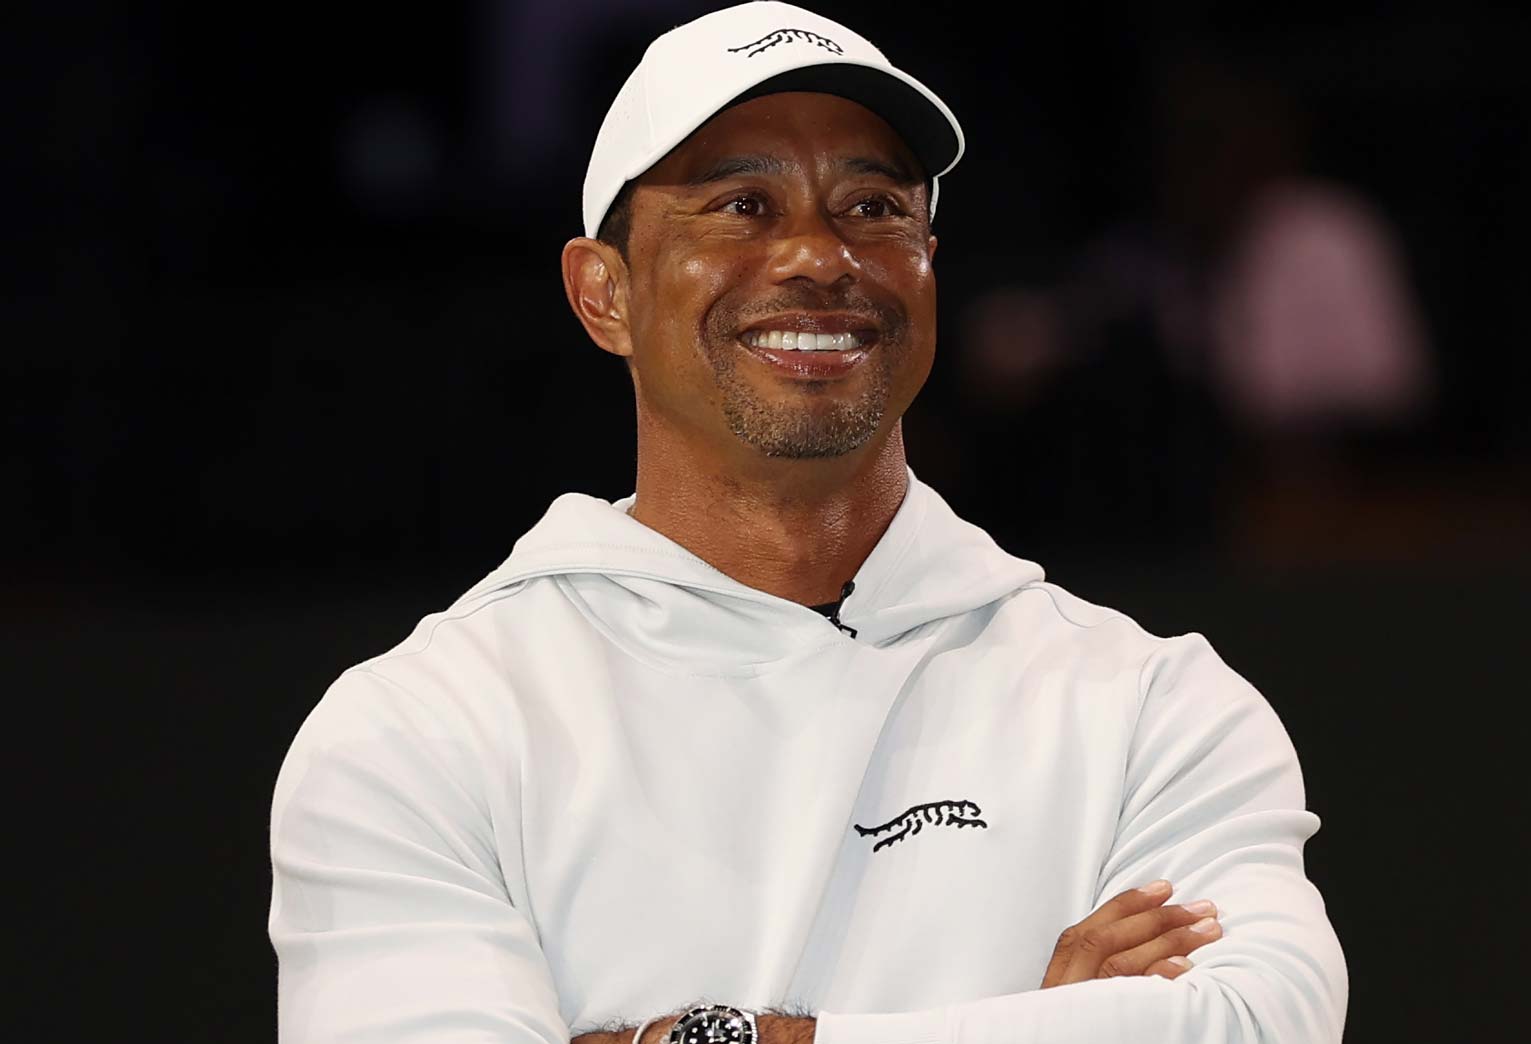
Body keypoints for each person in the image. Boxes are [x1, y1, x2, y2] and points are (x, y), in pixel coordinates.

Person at [267, 4, 1347, 1043]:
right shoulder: (424, 730)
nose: (818, 256)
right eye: (742, 206)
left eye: (875, 208)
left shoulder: (1154, 709)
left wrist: (721, 1038)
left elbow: (1256, 1024)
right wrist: (1037, 1018)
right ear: (603, 295)